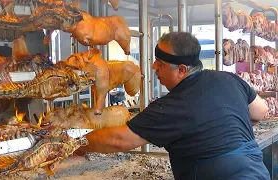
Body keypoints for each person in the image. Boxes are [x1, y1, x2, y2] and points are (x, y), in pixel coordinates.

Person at [77, 32, 270, 180]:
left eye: (160, 64)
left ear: (182, 70)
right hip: (257, 172)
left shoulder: (172, 106)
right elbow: (260, 111)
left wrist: (76, 144)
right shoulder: (228, 79)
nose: (153, 68)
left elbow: (117, 140)